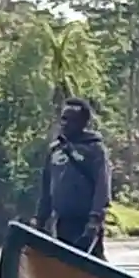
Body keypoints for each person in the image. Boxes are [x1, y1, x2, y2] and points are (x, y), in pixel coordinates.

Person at [33, 97, 111, 259]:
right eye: (63, 118)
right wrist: (39, 220)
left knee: (92, 265)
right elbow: (46, 189)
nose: (64, 123)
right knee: (63, 262)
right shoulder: (55, 150)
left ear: (82, 123)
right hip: (62, 222)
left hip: (86, 224)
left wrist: (95, 220)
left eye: (70, 120)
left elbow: (102, 187)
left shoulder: (95, 149)